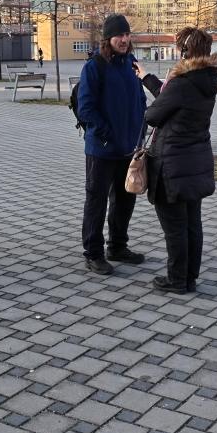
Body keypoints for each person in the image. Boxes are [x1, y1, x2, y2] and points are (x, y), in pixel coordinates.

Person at [134, 27, 217, 294]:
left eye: (178, 48)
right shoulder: (206, 78)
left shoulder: (182, 83)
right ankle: (189, 277)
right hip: (195, 161)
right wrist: (147, 78)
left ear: (185, 51)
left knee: (174, 227)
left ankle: (176, 280)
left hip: (172, 163)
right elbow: (170, 97)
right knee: (193, 223)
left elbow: (153, 116)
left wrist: (150, 105)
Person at [76, 14, 147, 275]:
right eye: (119, 35)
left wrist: (142, 129)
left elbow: (140, 99)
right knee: (97, 201)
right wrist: (105, 135)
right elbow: (86, 108)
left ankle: (117, 246)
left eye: (127, 35)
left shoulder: (131, 64)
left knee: (124, 200)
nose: (125, 40)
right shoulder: (95, 66)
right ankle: (93, 253)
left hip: (129, 148)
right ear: (108, 38)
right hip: (102, 149)